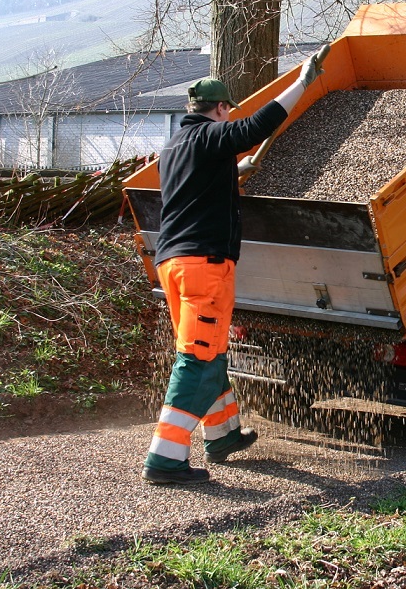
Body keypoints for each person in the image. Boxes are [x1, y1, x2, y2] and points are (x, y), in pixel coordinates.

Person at [142, 45, 331, 485]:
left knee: (211, 350)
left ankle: (223, 434)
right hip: (204, 265)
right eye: (228, 113)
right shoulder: (211, 136)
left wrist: (237, 168)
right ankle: (165, 458)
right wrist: (301, 83)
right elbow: (257, 125)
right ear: (221, 108)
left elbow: (200, 184)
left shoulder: (176, 145)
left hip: (173, 264)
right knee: (198, 357)